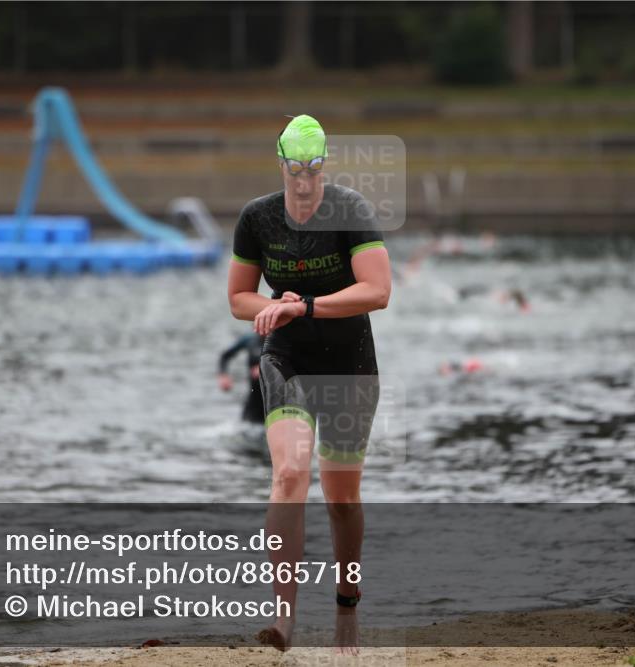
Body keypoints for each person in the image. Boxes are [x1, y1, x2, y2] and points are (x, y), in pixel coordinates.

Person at [227, 115, 391, 655]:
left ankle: (347, 597)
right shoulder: (258, 217)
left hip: (348, 361)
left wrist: (311, 305)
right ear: (280, 163)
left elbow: (378, 290)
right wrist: (275, 308)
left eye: (313, 170)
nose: (303, 181)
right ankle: (283, 615)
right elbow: (238, 299)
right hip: (288, 359)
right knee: (290, 474)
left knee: (341, 499)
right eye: (294, 170)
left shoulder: (351, 210)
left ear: (325, 165)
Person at [217, 333, 265, 424]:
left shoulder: (282, 340)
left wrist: (266, 369)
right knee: (246, 429)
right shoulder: (250, 339)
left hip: (276, 401)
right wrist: (223, 375)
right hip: (253, 399)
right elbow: (225, 356)